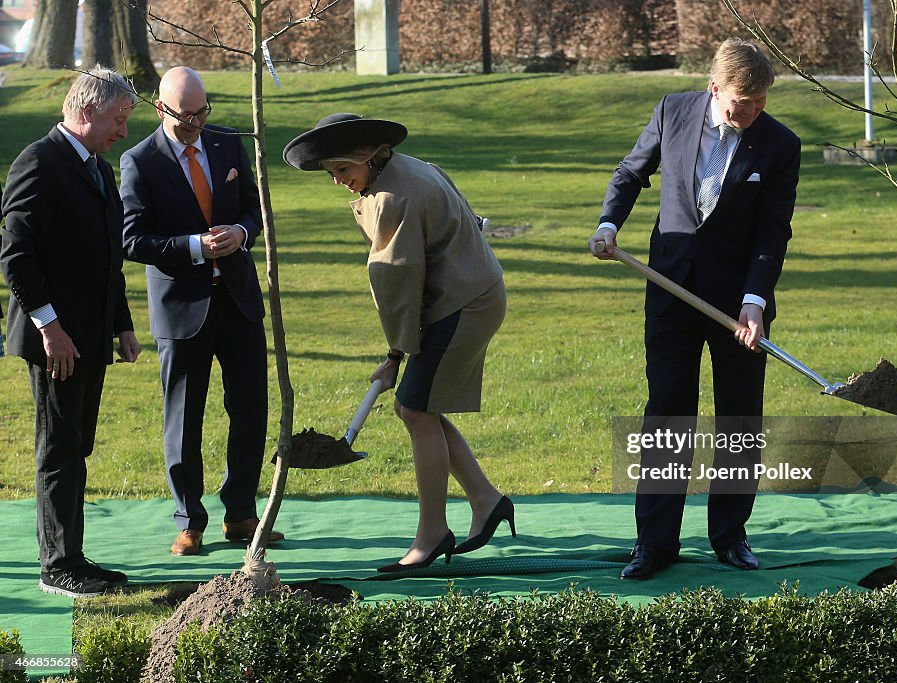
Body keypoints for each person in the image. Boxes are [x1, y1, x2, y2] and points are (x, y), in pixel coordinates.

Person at [589, 38, 800, 580]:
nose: (750, 112)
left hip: (739, 305)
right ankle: (654, 544)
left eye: (760, 102)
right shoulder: (672, 111)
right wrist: (609, 224)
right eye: (740, 103)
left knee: (738, 415)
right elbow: (631, 172)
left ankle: (730, 535)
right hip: (670, 289)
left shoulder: (779, 145)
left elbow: (773, 232)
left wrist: (755, 301)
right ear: (714, 88)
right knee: (667, 413)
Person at [283, 113, 513, 571]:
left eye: (343, 171)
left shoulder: (393, 196)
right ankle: (487, 500)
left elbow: (397, 282)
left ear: (367, 157)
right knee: (419, 405)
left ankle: (433, 532)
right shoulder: (407, 168)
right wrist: (400, 351)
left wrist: (395, 354)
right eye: (332, 174)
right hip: (465, 292)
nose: (339, 182)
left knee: (413, 408)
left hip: (464, 302)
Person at [121, 66, 282, 556]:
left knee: (251, 410)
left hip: (238, 301)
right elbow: (132, 239)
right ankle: (189, 520)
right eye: (184, 114)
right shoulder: (138, 161)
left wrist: (242, 234)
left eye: (201, 111)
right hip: (181, 309)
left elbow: (256, 209)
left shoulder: (228, 143)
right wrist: (195, 247)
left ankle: (241, 514)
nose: (194, 122)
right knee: (184, 419)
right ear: (160, 107)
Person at [1, 66, 141, 597]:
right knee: (58, 448)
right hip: (54, 341)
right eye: (118, 120)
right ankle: (56, 566)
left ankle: (74, 556)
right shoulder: (39, 162)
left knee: (77, 445)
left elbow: (108, 257)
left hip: (90, 335)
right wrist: (51, 328)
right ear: (86, 112)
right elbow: (16, 255)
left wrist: (122, 324)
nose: (123, 132)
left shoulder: (98, 170)